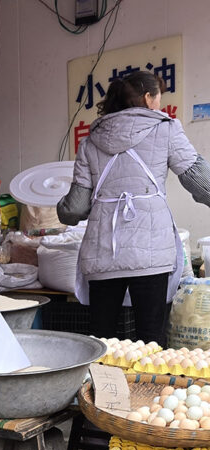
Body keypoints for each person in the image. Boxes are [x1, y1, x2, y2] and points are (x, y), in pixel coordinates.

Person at [57, 70, 210, 344]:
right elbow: (200, 181)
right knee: (150, 339)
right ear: (148, 98)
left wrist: (61, 209)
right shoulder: (166, 129)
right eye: (159, 98)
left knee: (101, 338)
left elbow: (74, 209)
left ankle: (100, 374)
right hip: (151, 254)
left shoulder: (90, 141)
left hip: (103, 252)